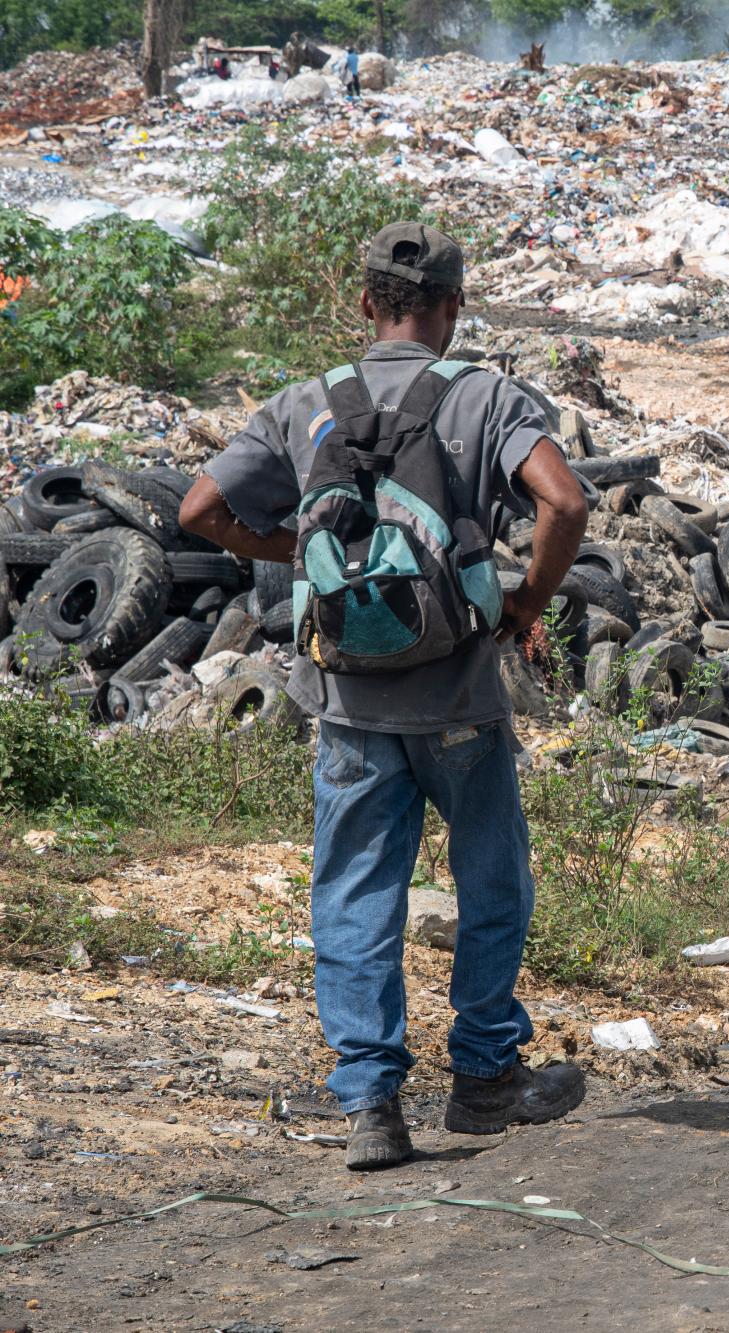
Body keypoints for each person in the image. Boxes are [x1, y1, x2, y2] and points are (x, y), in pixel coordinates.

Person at [179, 223, 591, 1170]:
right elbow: (565, 504)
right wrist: (526, 598)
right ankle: (485, 1078)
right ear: (453, 307)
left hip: (348, 703)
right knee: (492, 882)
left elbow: (200, 512)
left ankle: (370, 1102)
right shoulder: (485, 396)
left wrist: (291, 555)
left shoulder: (303, 403)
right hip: (459, 700)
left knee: (357, 893)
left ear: (364, 305)